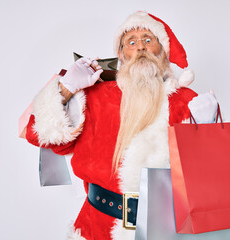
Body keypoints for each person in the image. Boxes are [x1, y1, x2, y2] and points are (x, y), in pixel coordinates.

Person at [26, 11, 218, 240]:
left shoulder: (186, 100)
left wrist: (206, 130)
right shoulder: (94, 96)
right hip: (96, 227)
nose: (140, 48)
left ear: (163, 50)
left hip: (162, 230)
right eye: (132, 41)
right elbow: (39, 135)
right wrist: (67, 88)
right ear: (121, 53)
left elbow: (205, 183)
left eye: (148, 39)